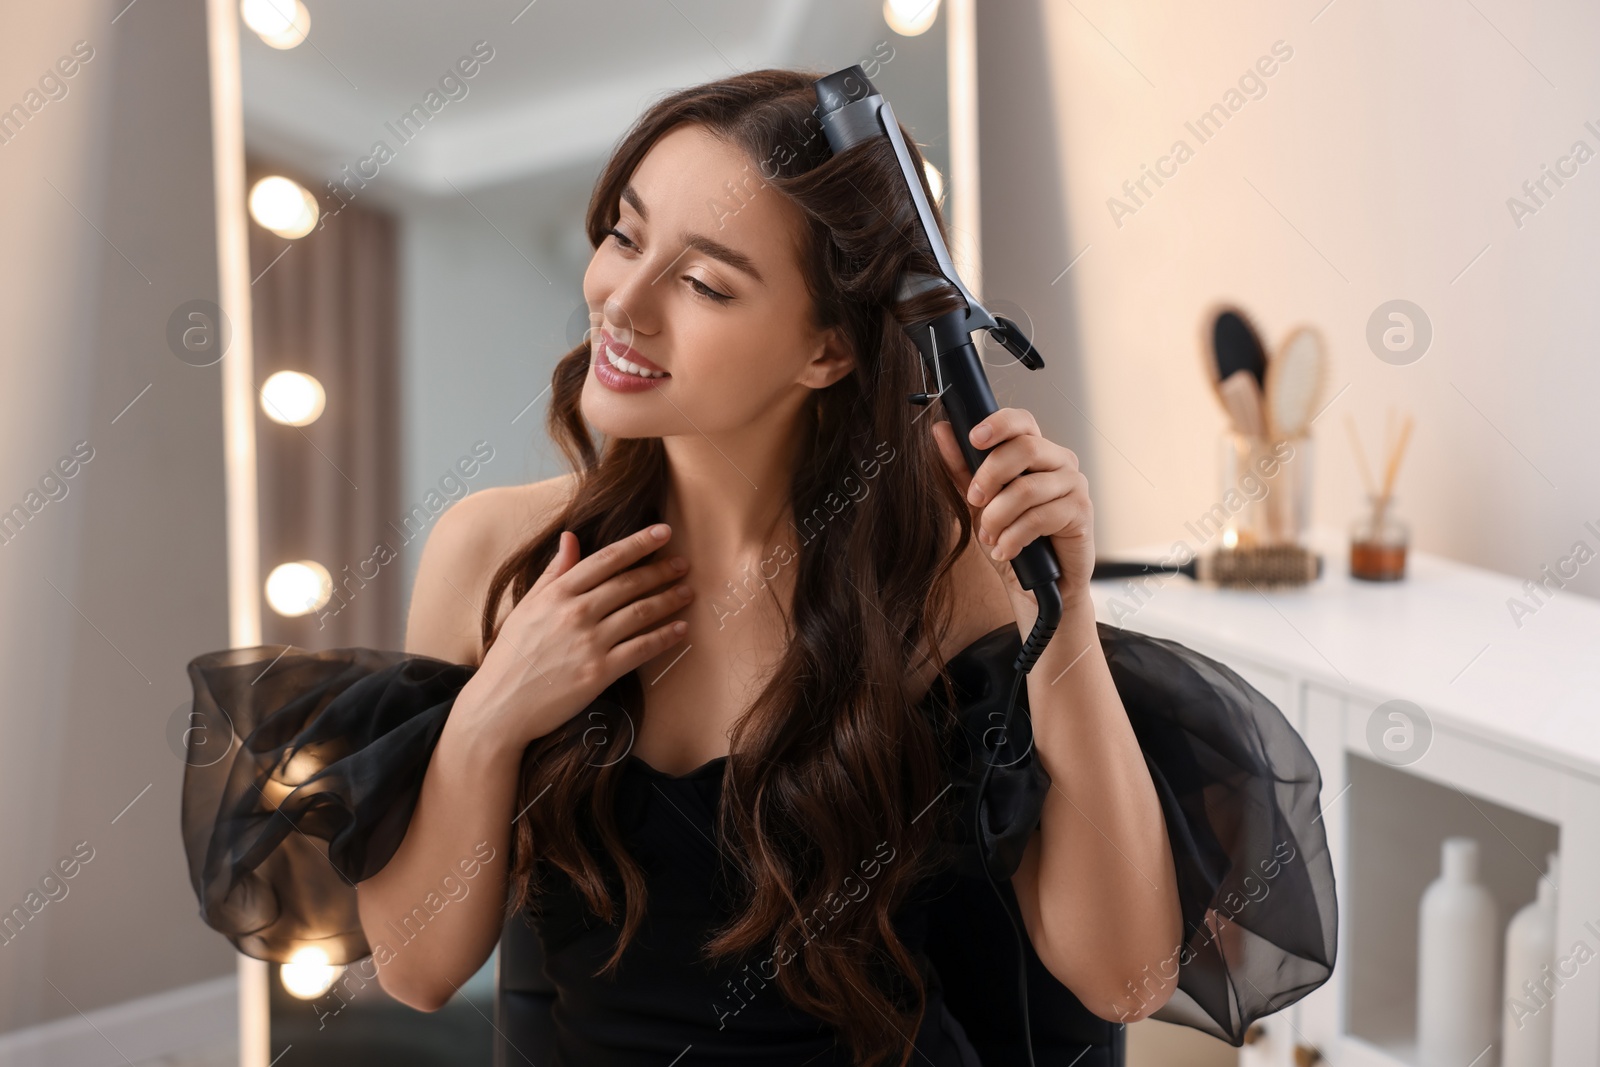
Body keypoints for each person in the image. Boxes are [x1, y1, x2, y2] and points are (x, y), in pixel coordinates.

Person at [181, 69, 1336, 1066]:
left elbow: (1126, 978)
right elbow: (422, 965)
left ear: (829, 347)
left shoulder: (959, 581)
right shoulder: (498, 555)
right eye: (624, 235)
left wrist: (1061, 612)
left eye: (704, 281)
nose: (619, 304)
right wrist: (491, 714)